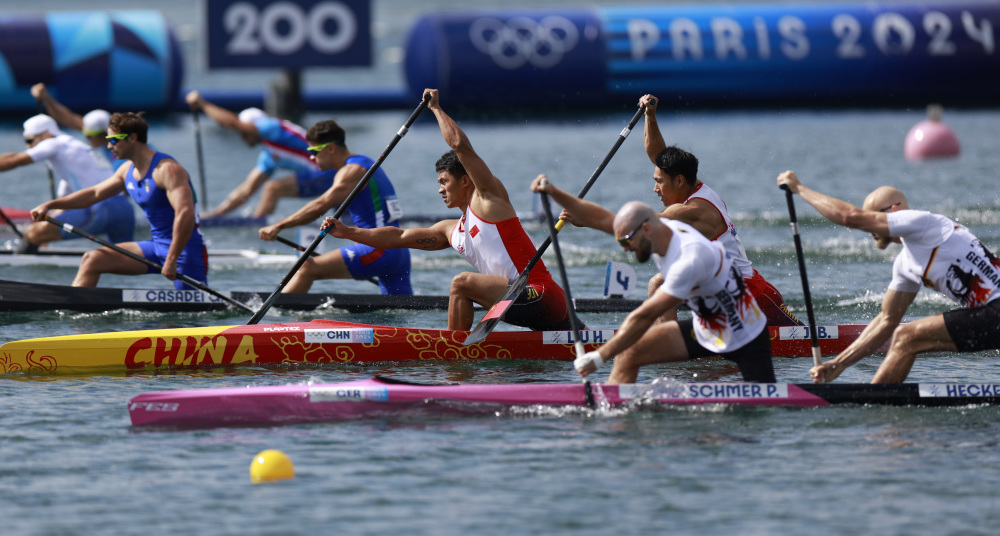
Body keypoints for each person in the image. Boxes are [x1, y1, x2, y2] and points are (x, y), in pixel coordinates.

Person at [321, 88, 575, 331]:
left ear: (465, 180)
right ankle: (461, 353)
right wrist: (349, 232)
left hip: (541, 294)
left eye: (444, 182)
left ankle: (452, 353)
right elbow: (397, 237)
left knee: (461, 283)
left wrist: (436, 108)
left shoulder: (488, 199)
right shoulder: (449, 230)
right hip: (523, 304)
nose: (440, 190)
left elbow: (460, 147)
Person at [550, 94, 800, 327]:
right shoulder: (691, 184)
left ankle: (667, 352)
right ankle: (672, 346)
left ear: (679, 181)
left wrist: (586, 218)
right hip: (726, 292)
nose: (655, 189)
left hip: (753, 298)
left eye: (659, 182)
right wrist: (650, 116)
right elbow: (658, 155)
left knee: (659, 284)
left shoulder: (694, 209)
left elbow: (637, 226)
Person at [778, 170, 1000, 384]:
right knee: (904, 336)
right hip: (989, 316)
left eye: (875, 215)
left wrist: (799, 189)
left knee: (907, 336)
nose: (869, 227)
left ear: (895, 210)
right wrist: (838, 364)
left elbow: (849, 216)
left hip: (995, 309)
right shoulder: (906, 264)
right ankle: (876, 402)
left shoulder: (923, 223)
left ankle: (875, 406)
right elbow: (886, 320)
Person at [572, 201, 775, 384]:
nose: (626, 249)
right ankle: (614, 415)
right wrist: (552, 192)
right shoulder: (658, 230)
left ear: (646, 229)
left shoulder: (689, 258)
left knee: (763, 409)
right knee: (629, 352)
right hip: (705, 330)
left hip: (745, 335)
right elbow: (605, 219)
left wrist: (600, 356)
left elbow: (645, 315)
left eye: (627, 242)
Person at [30, 112, 207, 289]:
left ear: (132, 138)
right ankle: (73, 310)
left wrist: (172, 258)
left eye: (114, 140)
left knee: (193, 311)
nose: (108, 146)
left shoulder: (167, 170)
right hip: (156, 246)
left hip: (184, 250)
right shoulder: (127, 170)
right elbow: (94, 194)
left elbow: (185, 213)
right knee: (93, 259)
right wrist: (50, 205)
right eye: (108, 139)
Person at [258, 119, 412, 295]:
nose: (311, 157)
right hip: (399, 250)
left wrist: (278, 226)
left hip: (378, 250)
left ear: (330, 149)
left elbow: (320, 205)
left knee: (307, 268)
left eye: (314, 151)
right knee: (402, 312)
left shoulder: (351, 171)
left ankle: (281, 321)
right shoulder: (366, 163)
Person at [1, 114, 134, 253]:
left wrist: (41, 232)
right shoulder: (73, 148)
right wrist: (48, 227)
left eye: (30, 140)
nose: (28, 146)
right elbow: (63, 204)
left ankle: (19, 270)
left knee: (34, 233)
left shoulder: (55, 142)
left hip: (102, 208)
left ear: (46, 133)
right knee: (123, 259)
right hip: (124, 209)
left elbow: (14, 160)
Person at [185, 90, 330, 219]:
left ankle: (259, 229)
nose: (242, 137)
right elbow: (245, 191)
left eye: (244, 132)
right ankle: (260, 225)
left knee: (272, 188)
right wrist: (214, 216)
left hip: (330, 172)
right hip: (323, 178)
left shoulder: (272, 127)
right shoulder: (269, 156)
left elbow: (232, 123)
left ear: (252, 127)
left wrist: (202, 104)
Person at [31, 83, 125, 171]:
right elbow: (68, 119)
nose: (86, 138)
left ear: (103, 134)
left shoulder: (122, 158)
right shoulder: (107, 139)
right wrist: (46, 98)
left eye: (89, 135)